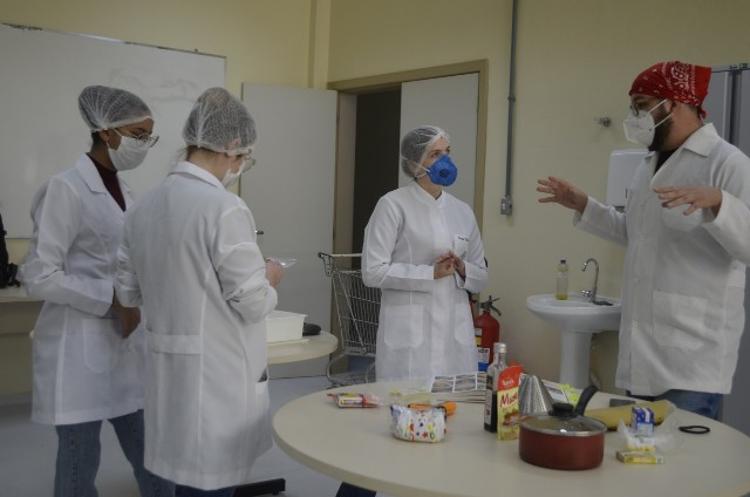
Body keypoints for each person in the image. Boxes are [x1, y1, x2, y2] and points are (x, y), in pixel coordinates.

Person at [537, 61, 750, 419]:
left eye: (642, 105)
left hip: (693, 359)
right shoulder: (647, 164)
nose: (636, 116)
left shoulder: (727, 163)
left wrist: (719, 203)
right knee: (640, 449)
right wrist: (584, 205)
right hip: (642, 354)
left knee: (684, 453)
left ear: (675, 104)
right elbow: (635, 234)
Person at [116, 87, 283, 497]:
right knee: (211, 483)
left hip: (167, 372)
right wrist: (270, 277)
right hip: (216, 380)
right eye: (245, 156)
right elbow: (252, 303)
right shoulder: (224, 207)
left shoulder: (142, 207)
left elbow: (128, 294)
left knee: (184, 478)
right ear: (231, 146)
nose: (242, 165)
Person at [20, 85, 171, 497]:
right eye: (138, 134)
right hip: (78, 351)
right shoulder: (65, 188)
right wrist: (112, 299)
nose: (144, 145)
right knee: (79, 461)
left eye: (149, 136)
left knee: (152, 454)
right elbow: (39, 275)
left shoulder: (126, 192)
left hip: (125, 346)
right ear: (106, 131)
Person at [337, 126, 488, 497]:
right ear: (414, 163)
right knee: (389, 433)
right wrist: (427, 273)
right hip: (410, 341)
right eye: (435, 154)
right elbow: (372, 271)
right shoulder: (393, 205)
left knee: (451, 431)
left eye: (448, 151)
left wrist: (463, 268)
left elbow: (481, 273)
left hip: (453, 340)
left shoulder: (462, 212)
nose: (445, 161)